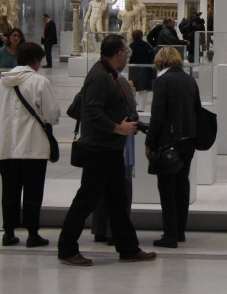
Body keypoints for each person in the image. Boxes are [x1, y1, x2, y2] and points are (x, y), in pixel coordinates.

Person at [56, 34, 155, 266]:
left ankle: (128, 247)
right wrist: (117, 127)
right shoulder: (99, 76)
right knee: (86, 200)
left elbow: (109, 108)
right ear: (119, 53)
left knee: (118, 202)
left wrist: (134, 125)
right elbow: (91, 111)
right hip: (99, 149)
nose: (127, 57)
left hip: (110, 149)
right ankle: (67, 248)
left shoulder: (108, 74)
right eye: (126, 53)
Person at [0, 41, 60, 248]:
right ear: (36, 60)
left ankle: (8, 233)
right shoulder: (39, 82)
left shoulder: (2, 83)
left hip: (6, 148)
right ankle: (32, 234)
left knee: (9, 192)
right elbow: (53, 114)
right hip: (32, 147)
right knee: (33, 192)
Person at [145, 45, 202, 248]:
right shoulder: (189, 80)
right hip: (188, 140)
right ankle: (180, 231)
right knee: (182, 185)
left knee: (167, 189)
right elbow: (197, 109)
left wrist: (149, 142)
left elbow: (157, 116)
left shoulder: (162, 81)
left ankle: (169, 234)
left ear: (160, 61)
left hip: (168, 143)